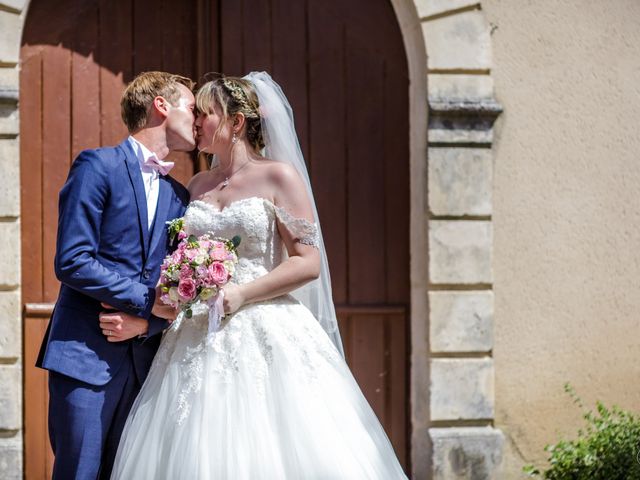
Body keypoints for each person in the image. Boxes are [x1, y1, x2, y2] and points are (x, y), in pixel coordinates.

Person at [110, 72, 408, 479]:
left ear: (236, 123)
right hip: (195, 334)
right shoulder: (196, 185)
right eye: (195, 113)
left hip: (263, 323)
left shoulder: (279, 176)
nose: (196, 122)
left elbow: (307, 261)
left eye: (206, 114)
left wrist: (243, 293)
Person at [36, 71, 195, 480]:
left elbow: (179, 281)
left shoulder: (180, 195)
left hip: (147, 365)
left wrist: (148, 322)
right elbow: (72, 259)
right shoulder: (98, 165)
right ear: (161, 105)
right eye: (191, 108)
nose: (198, 119)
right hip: (85, 357)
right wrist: (145, 299)